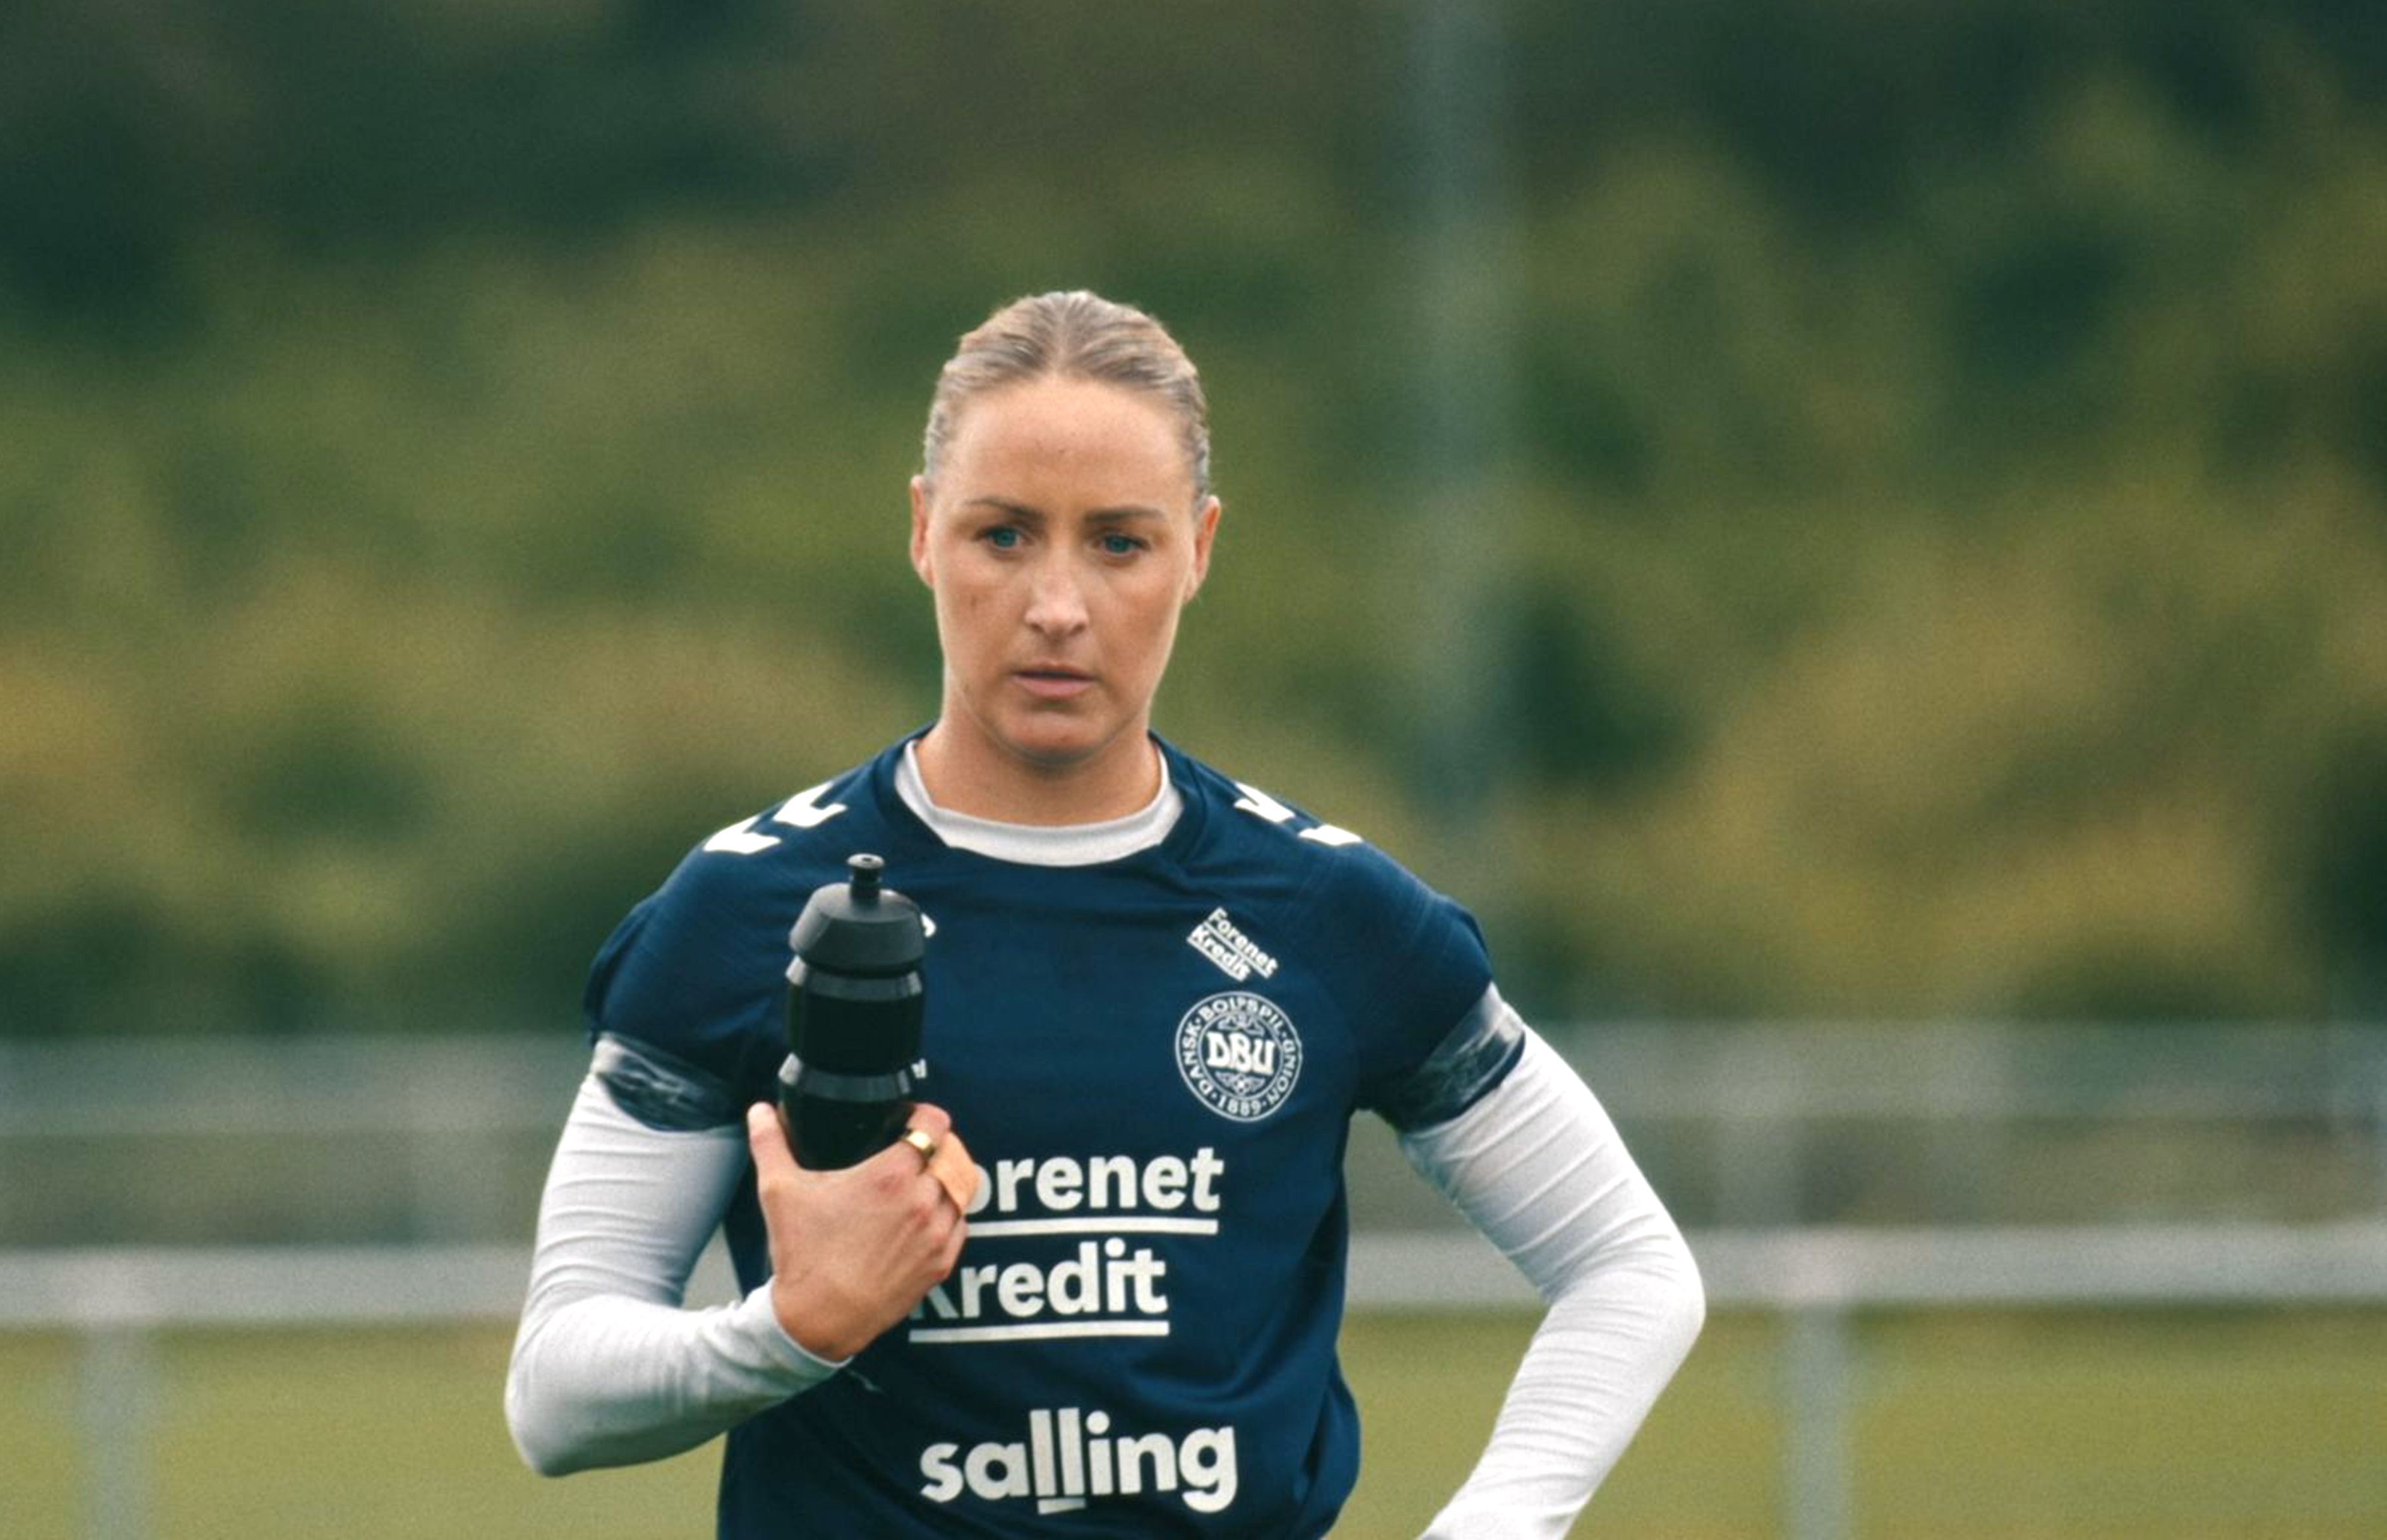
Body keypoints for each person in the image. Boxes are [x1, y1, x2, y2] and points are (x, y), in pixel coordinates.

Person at [505, 290, 1703, 1537]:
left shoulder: (1327, 912)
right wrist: (794, 1325)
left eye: (1119, 543)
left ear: (1200, 548)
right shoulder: (746, 908)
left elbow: (1629, 1268)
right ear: (922, 531)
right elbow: (555, 1397)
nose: (1057, 606)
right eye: (1003, 535)